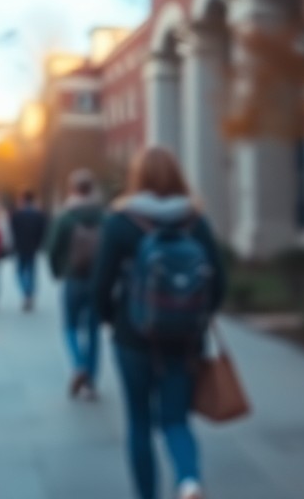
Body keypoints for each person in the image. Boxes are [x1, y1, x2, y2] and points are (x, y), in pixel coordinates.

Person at [92, 146, 226, 499]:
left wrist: (112, 320)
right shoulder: (196, 222)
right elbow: (219, 285)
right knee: (176, 419)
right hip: (185, 341)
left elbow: (101, 286)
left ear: (137, 178)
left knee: (139, 422)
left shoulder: (120, 223)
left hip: (132, 338)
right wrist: (196, 319)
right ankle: (189, 480)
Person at [47, 168, 106, 400]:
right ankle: (90, 382)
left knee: (70, 326)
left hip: (73, 279)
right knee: (93, 331)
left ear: (72, 189)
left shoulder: (65, 217)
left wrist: (58, 272)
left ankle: (79, 364)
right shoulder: (103, 216)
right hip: (97, 280)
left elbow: (53, 249)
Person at [10, 190, 48, 312]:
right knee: (31, 271)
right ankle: (30, 293)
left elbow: (12, 231)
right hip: (33, 247)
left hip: (20, 247)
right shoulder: (39, 215)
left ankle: (27, 293)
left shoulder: (17, 214)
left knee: (20, 272)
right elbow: (43, 231)